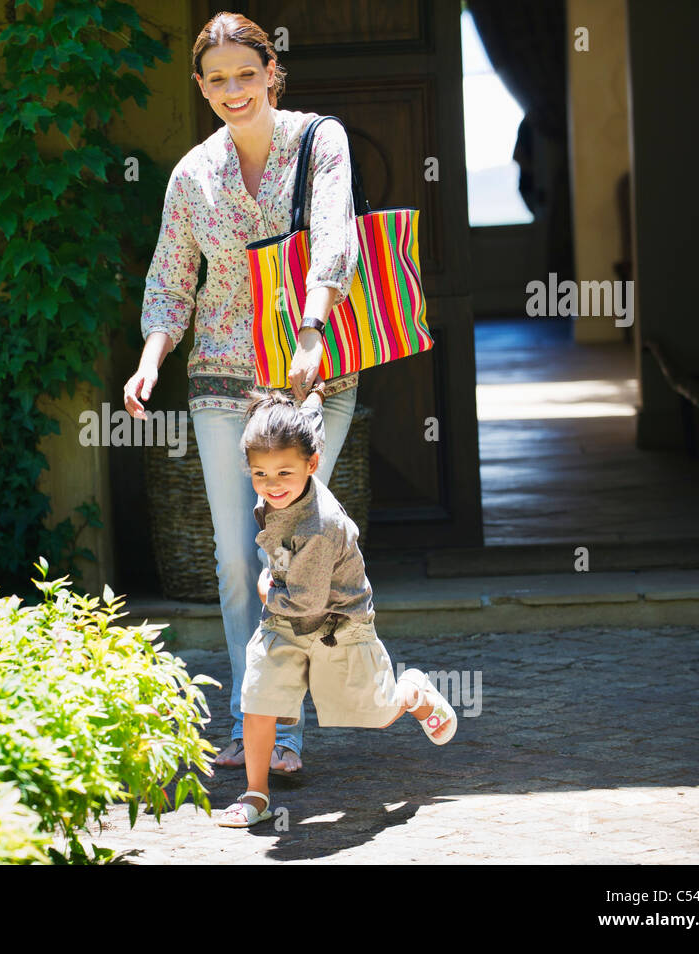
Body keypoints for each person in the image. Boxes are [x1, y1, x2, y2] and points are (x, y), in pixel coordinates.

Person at [124, 12, 362, 775]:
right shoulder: (192, 174)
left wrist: (314, 327)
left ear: (272, 72)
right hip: (222, 382)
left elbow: (335, 235)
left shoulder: (320, 141)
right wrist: (150, 359)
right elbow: (170, 281)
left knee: (293, 554)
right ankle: (266, 730)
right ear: (200, 86)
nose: (234, 90)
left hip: (309, 382)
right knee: (237, 562)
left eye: (246, 74)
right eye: (216, 79)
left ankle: (305, 711)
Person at [215, 388, 457, 827]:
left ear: (312, 464)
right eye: (259, 474)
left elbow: (306, 601)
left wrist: (266, 588)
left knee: (378, 714)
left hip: (337, 624)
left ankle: (414, 693)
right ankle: (256, 793)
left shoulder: (320, 526)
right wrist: (314, 396)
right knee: (257, 699)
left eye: (283, 473)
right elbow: (312, 424)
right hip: (285, 625)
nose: (272, 486)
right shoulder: (286, 482)